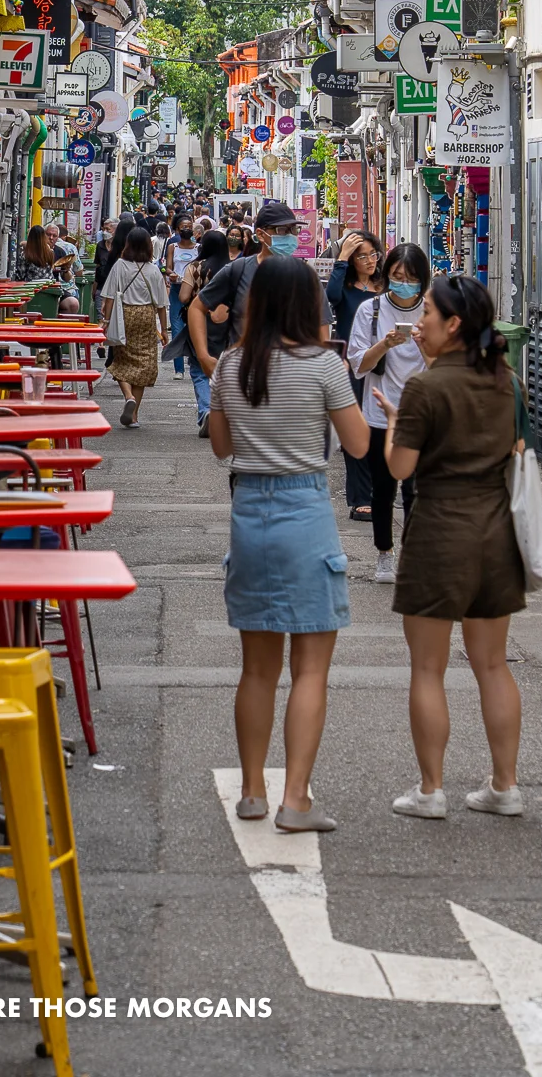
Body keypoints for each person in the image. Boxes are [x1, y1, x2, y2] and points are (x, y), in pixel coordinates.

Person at [207, 257, 369, 831]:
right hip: (305, 511)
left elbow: (222, 447)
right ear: (307, 306)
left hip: (249, 512)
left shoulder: (232, 365)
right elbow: (356, 443)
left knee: (256, 671)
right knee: (310, 671)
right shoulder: (323, 366)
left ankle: (252, 792)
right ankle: (294, 799)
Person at [374, 274, 527, 820]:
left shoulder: (425, 388)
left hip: (439, 530)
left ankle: (431, 789)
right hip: (495, 533)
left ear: (454, 324)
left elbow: (399, 468)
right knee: (492, 665)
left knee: (427, 669)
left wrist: (393, 424)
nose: (420, 325)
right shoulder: (507, 382)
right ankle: (505, 786)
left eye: (429, 315)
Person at [346, 242, 429, 585]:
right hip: (380, 413)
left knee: (417, 490)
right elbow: (357, 364)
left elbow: (449, 365)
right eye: (396, 276)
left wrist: (427, 346)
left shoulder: (433, 312)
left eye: (410, 278)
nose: (403, 283)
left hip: (422, 416)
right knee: (383, 489)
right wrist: (385, 344)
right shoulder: (372, 311)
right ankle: (384, 554)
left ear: (422, 281)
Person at [188, 200, 333, 377]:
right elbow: (197, 307)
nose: (289, 236)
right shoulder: (238, 270)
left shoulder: (306, 277)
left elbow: (322, 328)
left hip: (295, 381)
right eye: (282, 231)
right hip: (244, 377)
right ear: (261, 234)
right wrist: (203, 356)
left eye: (293, 230)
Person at [326, 231, 385, 522]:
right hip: (352, 367)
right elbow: (331, 297)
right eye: (361, 256)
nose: (370, 261)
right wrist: (340, 259)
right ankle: (361, 498)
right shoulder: (345, 288)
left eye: (373, 254)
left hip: (387, 365)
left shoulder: (387, 287)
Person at [99, 226, 169, 427]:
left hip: (124, 316)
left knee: (121, 359)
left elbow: (109, 297)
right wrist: (164, 330)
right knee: (144, 363)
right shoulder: (154, 270)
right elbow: (162, 305)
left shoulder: (120, 265)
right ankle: (134, 414)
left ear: (128, 244)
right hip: (146, 317)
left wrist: (107, 320)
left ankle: (128, 396)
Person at [177, 227, 229, 435]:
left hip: (198, 323)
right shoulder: (232, 268)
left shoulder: (195, 267)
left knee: (199, 371)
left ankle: (207, 411)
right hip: (226, 325)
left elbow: (183, 297)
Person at [161, 213, 197, 381]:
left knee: (195, 327)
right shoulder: (172, 247)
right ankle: (179, 368)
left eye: (189, 226)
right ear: (177, 229)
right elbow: (168, 267)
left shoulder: (199, 247)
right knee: (176, 328)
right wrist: (171, 274)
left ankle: (196, 361)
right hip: (177, 289)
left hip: (194, 292)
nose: (187, 229)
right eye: (183, 227)